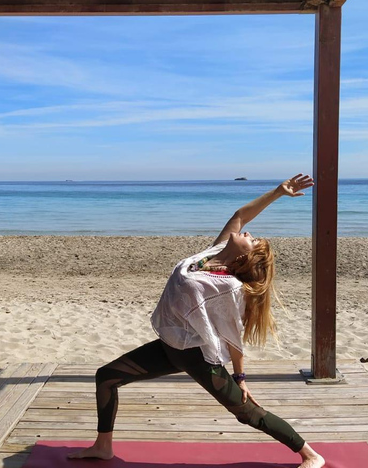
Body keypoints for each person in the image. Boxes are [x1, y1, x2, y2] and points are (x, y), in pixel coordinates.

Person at [68, 174, 325, 468]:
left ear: (244, 258)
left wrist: (240, 378)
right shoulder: (214, 253)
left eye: (251, 240)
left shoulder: (227, 286)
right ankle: (103, 447)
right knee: (106, 377)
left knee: (247, 413)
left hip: (198, 356)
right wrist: (278, 193)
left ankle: (309, 454)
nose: (249, 233)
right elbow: (240, 215)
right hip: (170, 346)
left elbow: (233, 334)